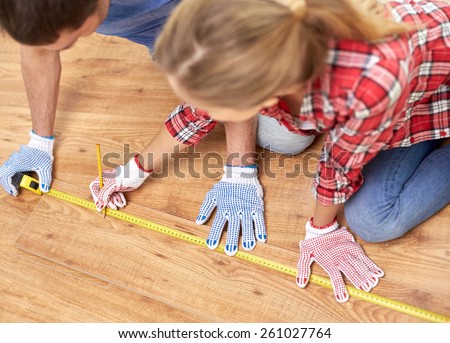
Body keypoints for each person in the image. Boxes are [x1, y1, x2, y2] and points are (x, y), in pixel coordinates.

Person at [146, 0, 449, 302]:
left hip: (427, 96)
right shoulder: (268, 45)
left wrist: (321, 230)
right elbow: (198, 110)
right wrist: (134, 169)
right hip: (407, 101)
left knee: (374, 221)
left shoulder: (367, 82)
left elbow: (339, 166)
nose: (206, 112)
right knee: (285, 140)